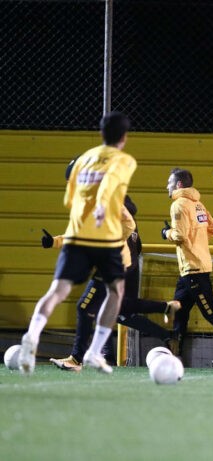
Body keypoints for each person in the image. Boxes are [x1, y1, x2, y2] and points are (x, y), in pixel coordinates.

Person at [17, 111, 137, 375]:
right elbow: (127, 218)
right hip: (105, 242)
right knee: (115, 293)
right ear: (124, 138)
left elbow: (69, 202)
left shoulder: (82, 161)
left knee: (58, 291)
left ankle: (32, 335)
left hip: (77, 239)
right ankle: (94, 351)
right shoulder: (123, 162)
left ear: (101, 133)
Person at [47, 194, 180, 371]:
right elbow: (137, 246)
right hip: (129, 268)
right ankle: (165, 314)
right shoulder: (128, 219)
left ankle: (78, 359)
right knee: (122, 311)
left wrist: (56, 242)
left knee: (86, 307)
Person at [162, 168, 213, 360]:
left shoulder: (178, 205)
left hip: (193, 267)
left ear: (179, 185)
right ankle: (174, 353)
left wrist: (166, 233)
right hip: (191, 268)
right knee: (179, 310)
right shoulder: (198, 205)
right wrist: (196, 239)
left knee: (210, 311)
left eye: (169, 183)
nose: (166, 187)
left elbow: (179, 235)